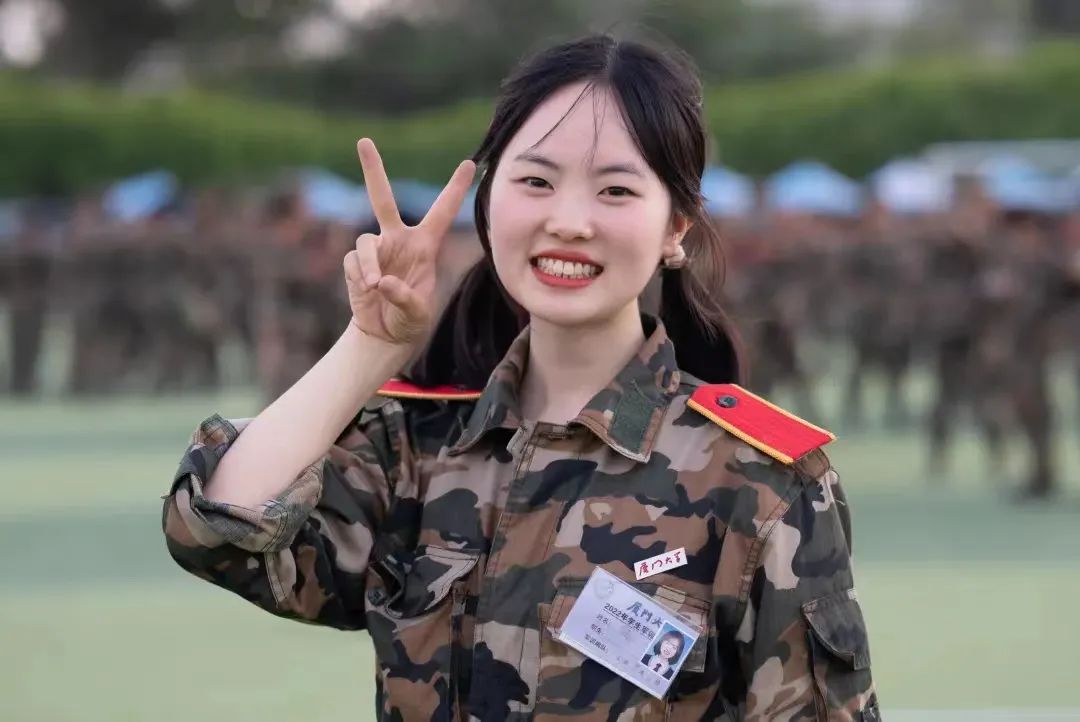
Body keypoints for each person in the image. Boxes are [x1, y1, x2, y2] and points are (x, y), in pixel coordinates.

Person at [162, 34, 879, 721]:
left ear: (676, 227)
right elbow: (214, 529)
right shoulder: (415, 450)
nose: (569, 221)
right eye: (536, 181)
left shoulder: (758, 481)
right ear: (488, 201)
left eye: (616, 191)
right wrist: (371, 346)